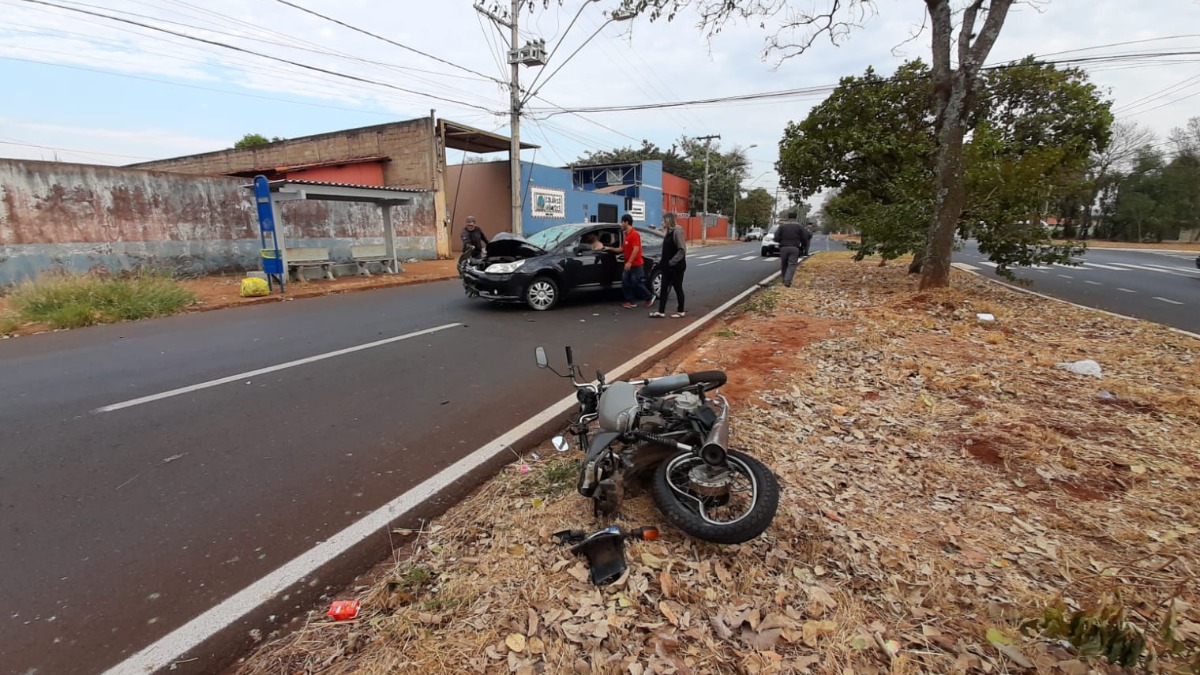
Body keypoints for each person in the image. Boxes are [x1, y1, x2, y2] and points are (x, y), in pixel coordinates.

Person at [605, 213, 655, 309]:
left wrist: (630, 262)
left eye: (622, 222)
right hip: (628, 265)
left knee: (636, 283)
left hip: (636, 265)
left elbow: (636, 249)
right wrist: (609, 248)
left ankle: (649, 297)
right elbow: (622, 249)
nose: (621, 224)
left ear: (626, 222)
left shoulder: (634, 234)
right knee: (625, 282)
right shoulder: (626, 235)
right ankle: (631, 301)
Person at [649, 214, 686, 318]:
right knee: (663, 288)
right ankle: (661, 311)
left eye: (663, 220)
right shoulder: (667, 232)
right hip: (667, 267)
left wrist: (671, 262)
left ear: (668, 221)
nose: (661, 222)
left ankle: (681, 311)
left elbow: (682, 250)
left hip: (677, 267)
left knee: (677, 287)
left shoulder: (677, 232)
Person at [775, 220, 807, 287]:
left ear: (788, 218)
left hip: (784, 247)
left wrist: (780, 241)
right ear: (795, 218)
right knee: (792, 265)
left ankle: (784, 279)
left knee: (784, 264)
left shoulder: (782, 226)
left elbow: (776, 237)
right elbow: (804, 237)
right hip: (794, 247)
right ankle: (788, 280)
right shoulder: (799, 226)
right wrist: (803, 246)